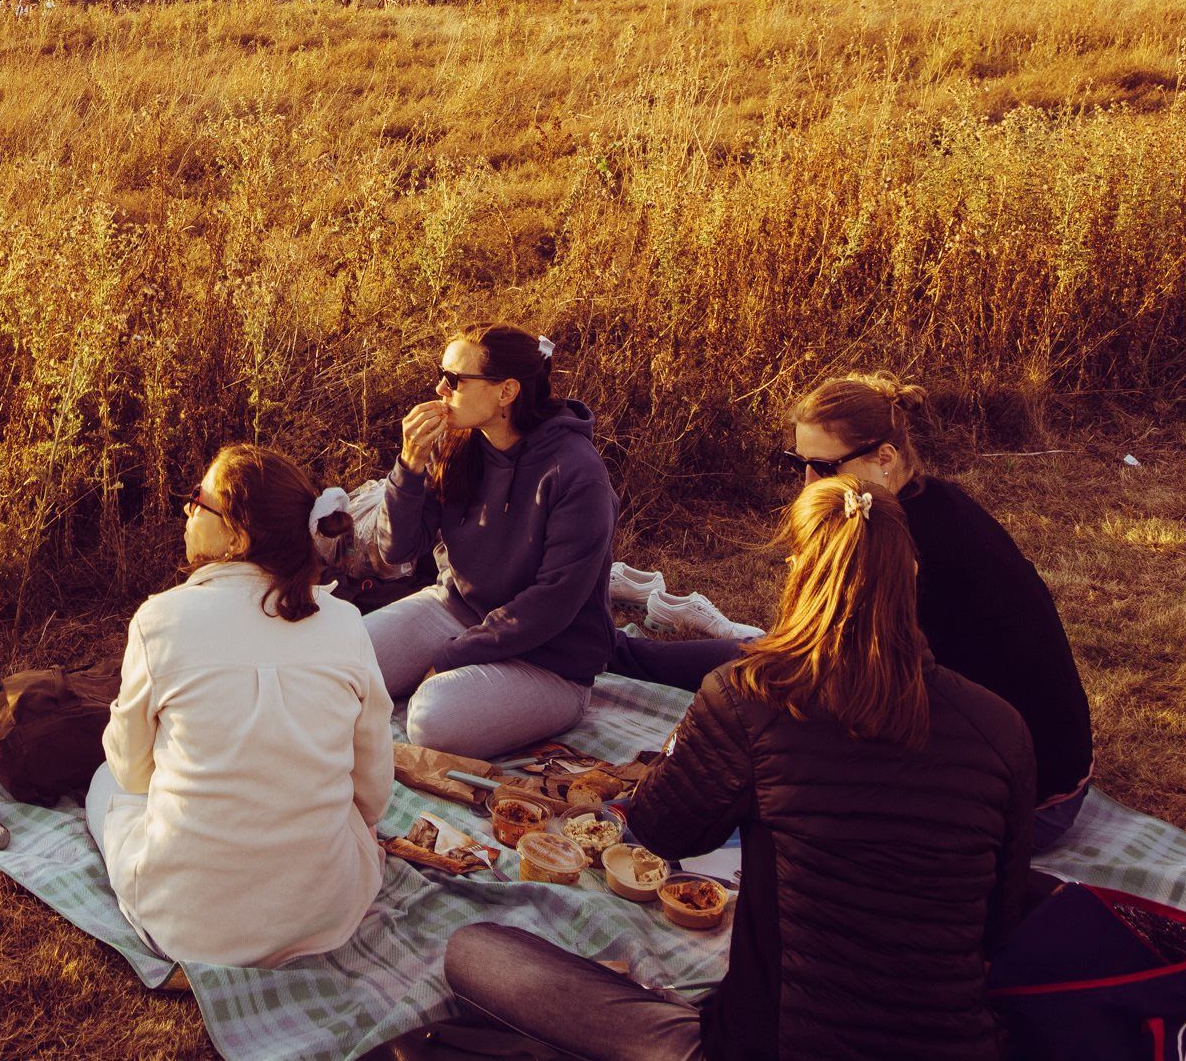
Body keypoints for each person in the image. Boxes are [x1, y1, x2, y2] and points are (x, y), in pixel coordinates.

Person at [444, 474, 1043, 1061]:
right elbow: (1003, 922)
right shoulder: (1001, 728)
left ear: (798, 577)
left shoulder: (749, 698)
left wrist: (699, 744)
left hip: (765, 1044)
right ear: (911, 577)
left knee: (474, 953)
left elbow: (659, 830)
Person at [610, 374, 1095, 851]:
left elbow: (840, 692)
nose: (806, 482)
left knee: (770, 729)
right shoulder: (923, 502)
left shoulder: (902, 548)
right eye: (797, 463)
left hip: (1019, 802)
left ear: (884, 457)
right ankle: (616, 651)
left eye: (823, 467)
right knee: (761, 659)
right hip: (986, 747)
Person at [86, 444, 391, 968]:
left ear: (238, 535)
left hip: (187, 923)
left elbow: (134, 776)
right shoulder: (345, 625)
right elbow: (373, 797)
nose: (186, 510)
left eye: (196, 500)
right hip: (326, 912)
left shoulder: (160, 620)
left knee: (102, 782)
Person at [363, 325, 615, 756]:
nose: (440, 388)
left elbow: (551, 605)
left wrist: (450, 659)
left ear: (506, 392)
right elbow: (397, 551)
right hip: (457, 610)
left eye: (456, 379)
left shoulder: (577, 473)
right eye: (441, 373)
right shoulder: (460, 444)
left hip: (548, 659)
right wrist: (409, 465)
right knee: (338, 664)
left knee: (429, 718)